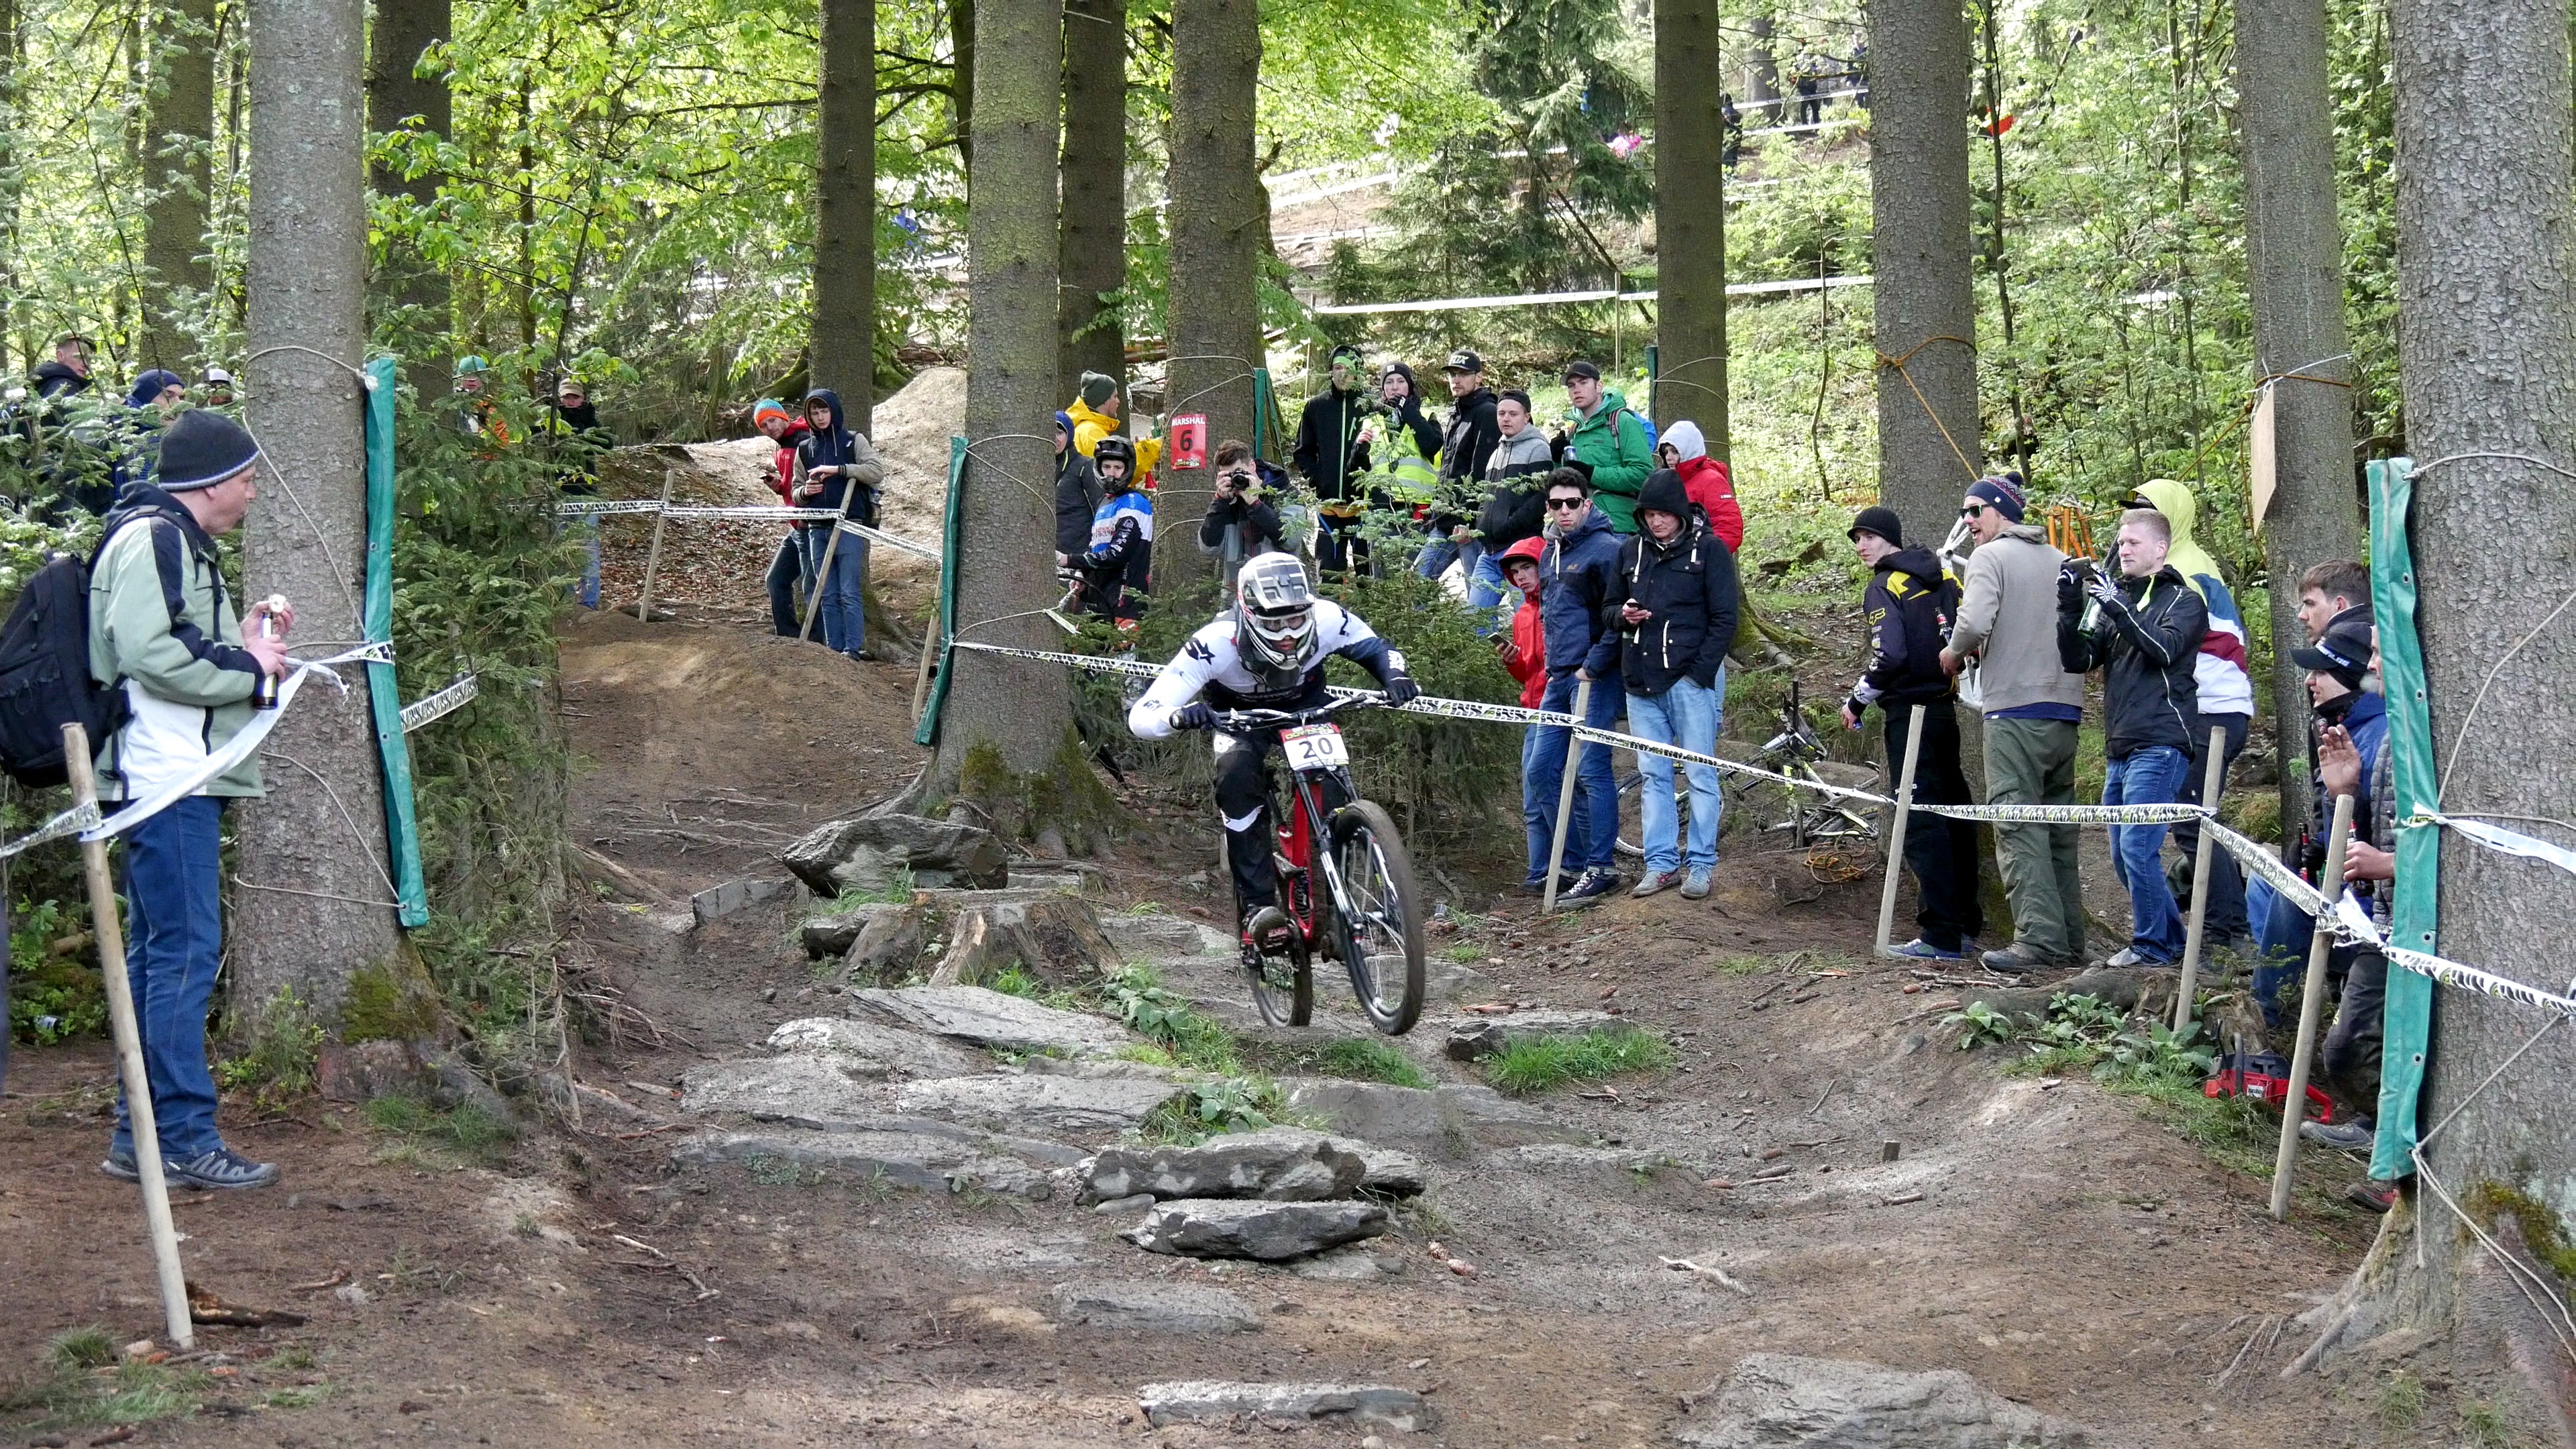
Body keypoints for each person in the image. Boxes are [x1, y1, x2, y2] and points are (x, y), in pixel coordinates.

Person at [88, 409, 294, 1191]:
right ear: (210, 484)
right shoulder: (155, 538)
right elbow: (152, 654)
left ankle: (135, 1134)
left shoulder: (173, 541)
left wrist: (245, 644)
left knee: (156, 960)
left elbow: (178, 644)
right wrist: (251, 669)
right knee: (181, 960)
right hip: (167, 780)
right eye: (246, 479)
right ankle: (178, 1138)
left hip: (176, 775)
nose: (251, 493)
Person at [1126, 551, 1419, 950]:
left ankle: (1338, 899)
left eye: (1296, 620)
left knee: (1334, 791)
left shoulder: (1329, 617)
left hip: (1307, 705)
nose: (1286, 633)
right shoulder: (1215, 642)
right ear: (1248, 613)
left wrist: (1395, 676)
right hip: (1240, 717)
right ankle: (1258, 906)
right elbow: (1143, 714)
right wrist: (1179, 717)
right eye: (1273, 622)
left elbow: (1377, 648)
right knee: (1236, 779)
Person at [1940, 474, 2090, 974]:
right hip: (2065, 711)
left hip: (2014, 712)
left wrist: (1952, 652)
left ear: (2001, 512)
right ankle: (2070, 939)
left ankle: (2038, 943)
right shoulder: (2058, 560)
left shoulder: (1989, 558)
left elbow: (1976, 620)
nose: (1968, 521)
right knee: (2059, 829)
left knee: (2017, 823)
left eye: (1975, 510)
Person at [2056, 508, 2208, 967]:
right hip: (2121, 746)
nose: (2123, 550)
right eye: (2120, 544)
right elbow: (2078, 660)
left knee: (2138, 848)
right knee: (2124, 857)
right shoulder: (2114, 600)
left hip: (2162, 743)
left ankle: (2150, 948)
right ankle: (2175, 944)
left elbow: (2163, 649)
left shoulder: (2185, 600)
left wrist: (2116, 607)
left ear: (2160, 550)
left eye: (2133, 544)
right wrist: (2068, 606)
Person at [1841, 505, 1982, 959]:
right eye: (1856, 539)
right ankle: (1965, 922)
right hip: (1944, 708)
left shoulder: (1885, 586)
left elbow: (1891, 655)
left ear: (1890, 540)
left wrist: (1857, 700)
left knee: (1923, 820)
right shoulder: (1942, 574)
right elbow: (1969, 624)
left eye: (1868, 537)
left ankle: (1942, 934)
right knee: (1955, 812)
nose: (1861, 546)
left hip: (1911, 712)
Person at [2132, 479, 2254, 947]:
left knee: (2192, 819)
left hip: (2212, 710)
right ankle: (2223, 920)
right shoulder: (2178, 565)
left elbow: (2161, 646)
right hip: (2206, 708)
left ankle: (2229, 932)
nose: (2136, 520)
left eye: (2148, 512)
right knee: (2195, 818)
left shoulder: (2183, 570)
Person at [2246, 612, 2383, 1020]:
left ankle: (2273, 1017)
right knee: (2265, 879)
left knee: (2289, 893)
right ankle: (2287, 998)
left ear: (2352, 677)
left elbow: (2374, 827)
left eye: (2321, 672)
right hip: (2337, 869)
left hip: (2364, 893)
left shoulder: (2376, 736)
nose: (2310, 682)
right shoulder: (2342, 728)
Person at [1611, 469, 1739, 901]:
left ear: (1680, 513)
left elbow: (1726, 619)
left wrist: (1699, 673)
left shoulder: (1711, 550)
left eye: (1664, 513)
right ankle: (1661, 863)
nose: (1657, 521)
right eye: (1649, 514)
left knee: (1702, 774)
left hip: (1690, 683)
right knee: (1653, 776)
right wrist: (1622, 615)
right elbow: (1608, 608)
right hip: (1639, 682)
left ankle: (1701, 865)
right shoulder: (1629, 551)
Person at [1528, 468, 1627, 906]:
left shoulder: (1607, 550)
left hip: (1593, 677)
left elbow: (1619, 616)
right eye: (1556, 504)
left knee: (1590, 769)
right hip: (1557, 677)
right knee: (1540, 771)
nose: (1564, 511)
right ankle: (1573, 862)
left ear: (1587, 504)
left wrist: (1595, 664)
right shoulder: (1550, 550)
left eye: (1573, 503)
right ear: (1548, 508)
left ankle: (1601, 866)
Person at [794, 388, 885, 661]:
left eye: (824, 411)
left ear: (833, 411)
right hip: (816, 528)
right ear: (808, 417)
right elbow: (796, 490)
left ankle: (853, 648)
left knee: (849, 590)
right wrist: (806, 492)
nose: (820, 418)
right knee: (827, 591)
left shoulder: (852, 441)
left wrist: (840, 470)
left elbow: (876, 471)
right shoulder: (805, 448)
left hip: (848, 525)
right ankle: (834, 649)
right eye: (814, 413)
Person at [1462, 390, 1555, 629]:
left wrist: (1509, 526)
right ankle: (1490, 664)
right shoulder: (1496, 452)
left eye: (1513, 414)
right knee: (1476, 619)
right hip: (1488, 550)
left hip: (1519, 551)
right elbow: (1486, 497)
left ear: (1527, 417)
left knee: (1528, 619)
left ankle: (1531, 664)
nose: (1506, 419)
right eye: (1501, 413)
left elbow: (1540, 498)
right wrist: (1479, 528)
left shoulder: (1538, 448)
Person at [1293, 344, 1378, 574]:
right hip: (1329, 508)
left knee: (1367, 577)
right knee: (1330, 575)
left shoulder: (1373, 406)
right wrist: (1319, 481)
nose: (1342, 373)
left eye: (1347, 368)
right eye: (1337, 367)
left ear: (1358, 372)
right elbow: (1303, 452)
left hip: (1365, 509)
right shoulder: (1317, 407)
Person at [1419, 350, 1499, 586]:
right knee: (1416, 583)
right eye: (1453, 374)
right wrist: (1436, 511)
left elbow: (1481, 473)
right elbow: (1449, 469)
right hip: (1444, 519)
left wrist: (1467, 518)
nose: (1456, 379)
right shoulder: (1458, 412)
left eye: (1464, 374)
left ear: (1479, 377)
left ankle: (1482, 625)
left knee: (1476, 594)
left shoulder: (1487, 412)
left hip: (1469, 526)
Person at [1560, 361, 1654, 533]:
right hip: (1580, 526)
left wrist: (1592, 473)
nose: (1576, 390)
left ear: (1599, 386)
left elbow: (1643, 475)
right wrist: (1557, 460)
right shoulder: (1575, 430)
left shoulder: (1623, 422)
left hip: (1617, 527)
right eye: (1571, 385)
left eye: (1583, 383)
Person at [1077, 436, 1152, 628]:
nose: (1112, 474)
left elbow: (1117, 554)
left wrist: (1068, 560)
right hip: (1098, 598)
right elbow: (1095, 547)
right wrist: (1081, 573)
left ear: (1127, 469)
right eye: (1107, 467)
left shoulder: (1135, 503)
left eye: (1118, 468)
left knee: (1122, 655)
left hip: (1126, 602)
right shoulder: (1103, 504)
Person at [753, 398, 814, 636]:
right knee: (776, 579)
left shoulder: (802, 440)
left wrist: (803, 515)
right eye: (764, 425)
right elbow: (792, 485)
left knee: (812, 584)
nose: (770, 428)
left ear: (783, 417)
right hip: (796, 525)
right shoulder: (780, 446)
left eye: (773, 421)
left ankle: (818, 640)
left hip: (808, 522)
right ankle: (788, 635)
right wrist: (778, 486)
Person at [552, 379, 610, 609]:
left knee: (589, 550)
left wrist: (585, 427)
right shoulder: (550, 420)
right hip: (557, 495)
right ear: (560, 397)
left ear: (583, 398)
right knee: (560, 550)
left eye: (575, 397)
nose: (571, 401)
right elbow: (533, 435)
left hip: (586, 495)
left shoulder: (591, 419)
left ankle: (590, 603)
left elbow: (608, 443)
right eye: (567, 397)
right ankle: (564, 602)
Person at [1199, 439, 1287, 578]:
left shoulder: (1285, 494)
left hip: (1278, 587)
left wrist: (1255, 505)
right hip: (1237, 588)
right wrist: (1220, 501)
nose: (1236, 479)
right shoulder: (1228, 504)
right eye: (1229, 476)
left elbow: (1290, 540)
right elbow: (1208, 548)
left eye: (1239, 473)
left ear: (1252, 466)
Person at [1654, 421, 1743, 552]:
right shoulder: (1667, 481)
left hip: (1701, 560)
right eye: (1666, 452)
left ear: (1688, 451)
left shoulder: (1711, 480)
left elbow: (1730, 527)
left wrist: (1704, 555)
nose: (1669, 457)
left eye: (1675, 452)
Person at [1065, 370, 1162, 482]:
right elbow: (1116, 477)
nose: (1118, 401)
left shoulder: (1090, 428)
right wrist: (1153, 447)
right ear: (1104, 400)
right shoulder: (1090, 431)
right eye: (1115, 396)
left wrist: (1130, 451)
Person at [1053, 410, 1105, 567]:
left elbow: (1101, 512)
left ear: (1069, 435)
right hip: (1045, 557)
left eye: (1059, 433)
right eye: (1048, 432)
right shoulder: (1034, 469)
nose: (1054, 438)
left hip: (1076, 560)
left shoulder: (1084, 466)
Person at [453, 356, 509, 447]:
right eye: (467, 376)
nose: (472, 381)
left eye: (477, 376)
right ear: (460, 378)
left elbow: (501, 439)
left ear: (483, 380)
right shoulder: (449, 402)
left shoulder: (489, 405)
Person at [32, 333, 93, 402]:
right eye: (79, 357)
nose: (86, 364)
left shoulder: (42, 384)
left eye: (89, 360)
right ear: (60, 356)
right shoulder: (67, 388)